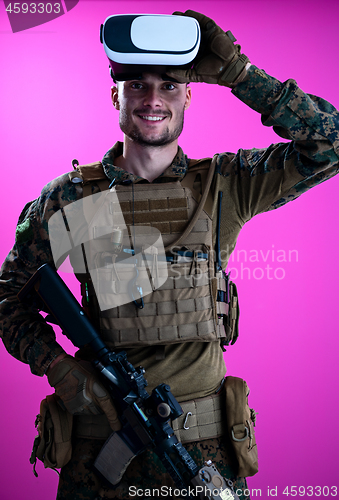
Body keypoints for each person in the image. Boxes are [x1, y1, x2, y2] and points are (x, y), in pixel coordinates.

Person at [0, 9, 338, 500]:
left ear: (189, 94)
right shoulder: (70, 199)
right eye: (136, 85)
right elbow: (9, 301)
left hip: (206, 454)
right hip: (99, 456)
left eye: (170, 86)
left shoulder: (226, 185)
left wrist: (239, 74)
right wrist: (57, 365)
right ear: (114, 94)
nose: (153, 99)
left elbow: (328, 144)